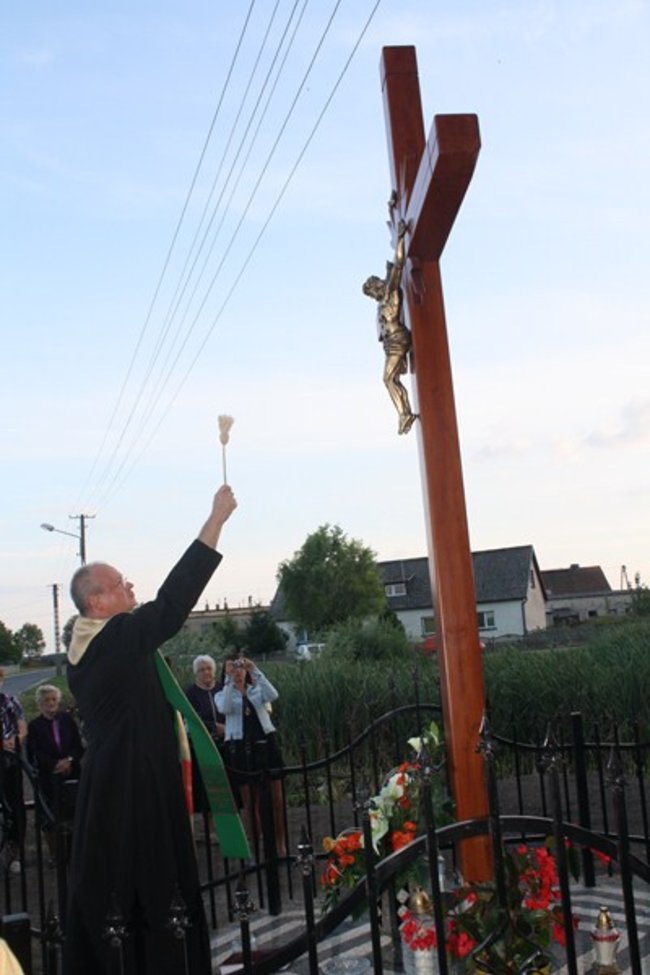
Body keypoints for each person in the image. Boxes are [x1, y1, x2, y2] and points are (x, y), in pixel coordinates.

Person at [63, 482, 237, 975]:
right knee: (149, 886)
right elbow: (172, 604)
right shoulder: (113, 639)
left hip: (117, 781)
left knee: (122, 894)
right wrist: (215, 521)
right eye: (121, 584)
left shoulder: (92, 643)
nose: (130, 588)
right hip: (133, 787)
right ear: (97, 601)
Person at [216, 656, 286, 856]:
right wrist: (229, 681)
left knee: (277, 799)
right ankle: (256, 849)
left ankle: (280, 845)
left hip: (265, 741)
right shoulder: (222, 694)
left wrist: (255, 670)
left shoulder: (256, 689)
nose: (237, 670)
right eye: (232, 667)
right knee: (250, 803)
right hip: (240, 745)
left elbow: (273, 694)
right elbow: (225, 708)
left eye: (240, 667)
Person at [362, 219, 418, 435]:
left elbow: (399, 263)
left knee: (388, 378)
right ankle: (404, 413)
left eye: (373, 290)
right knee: (390, 379)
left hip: (397, 339)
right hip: (391, 344)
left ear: (378, 285)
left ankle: (405, 414)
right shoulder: (381, 302)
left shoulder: (390, 291)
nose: (373, 295)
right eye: (371, 294)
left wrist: (401, 238)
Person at [27, 684, 84, 861]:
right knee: (50, 817)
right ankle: (55, 855)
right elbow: (34, 753)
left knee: (73, 814)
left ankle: (75, 852)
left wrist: (69, 760)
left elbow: (77, 746)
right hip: (48, 777)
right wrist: (56, 764)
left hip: (72, 773)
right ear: (40, 704)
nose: (51, 703)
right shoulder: (34, 726)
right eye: (46, 700)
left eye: (53, 699)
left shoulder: (67, 720)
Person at [185, 655, 226, 820]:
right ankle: (209, 825)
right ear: (196, 673)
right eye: (201, 670)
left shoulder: (222, 688)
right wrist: (213, 727)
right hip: (204, 744)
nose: (206, 673)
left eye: (208, 669)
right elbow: (192, 718)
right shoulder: (190, 693)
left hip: (226, 742)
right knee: (208, 788)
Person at [0, 668, 27, 874]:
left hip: (11, 761)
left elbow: (22, 727)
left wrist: (16, 740)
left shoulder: (11, 701)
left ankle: (15, 851)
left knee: (16, 805)